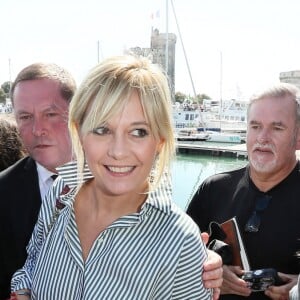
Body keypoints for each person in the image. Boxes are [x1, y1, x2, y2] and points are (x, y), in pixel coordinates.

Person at [0, 61, 223, 300]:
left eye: (138, 132)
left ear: (159, 141)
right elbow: (32, 265)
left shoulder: (180, 241)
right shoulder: (61, 193)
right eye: (102, 130)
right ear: (79, 131)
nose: (118, 151)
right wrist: (23, 293)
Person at [186, 82, 300, 300]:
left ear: (298, 137)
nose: (262, 138)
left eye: (277, 128)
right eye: (255, 126)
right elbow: (175, 259)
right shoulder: (214, 189)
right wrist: (210, 273)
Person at [0, 63, 76, 300]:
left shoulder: (118, 182)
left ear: (77, 114)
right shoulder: (3, 192)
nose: (37, 129)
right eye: (25, 117)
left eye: (50, 114)